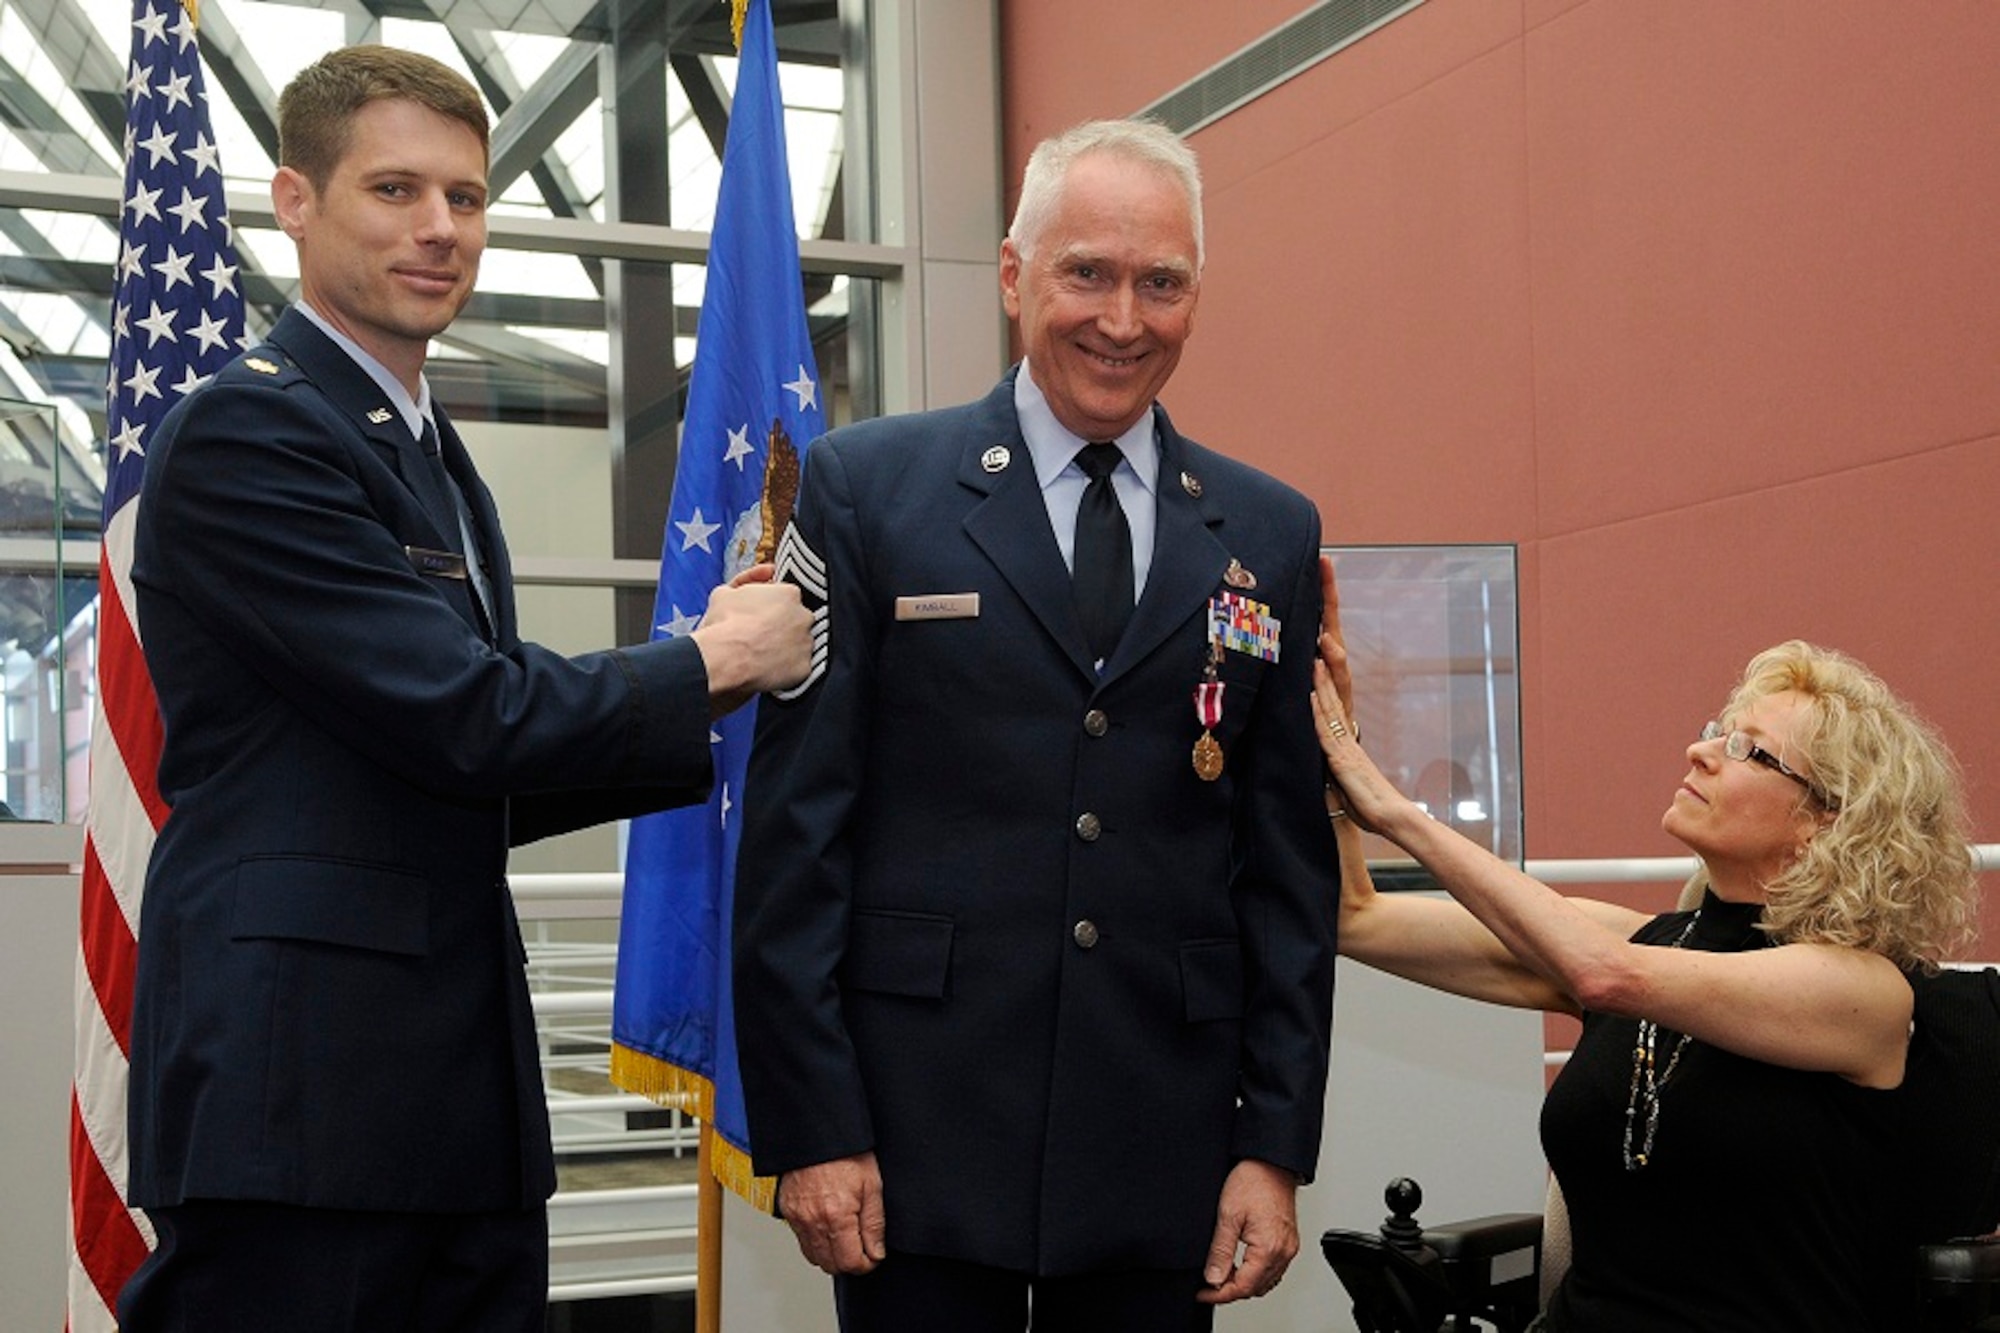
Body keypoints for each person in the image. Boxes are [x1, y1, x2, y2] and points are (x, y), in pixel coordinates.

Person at [115, 46, 811, 1333]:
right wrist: (712, 664)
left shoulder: (423, 448)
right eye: (394, 190)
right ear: (294, 201)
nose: (440, 230)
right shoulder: (247, 433)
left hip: (442, 1099)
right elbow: (466, 711)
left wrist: (703, 703)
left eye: (468, 198)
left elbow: (449, 764)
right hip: (303, 1103)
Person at [733, 118, 1339, 1331]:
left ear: (1194, 296)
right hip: (910, 1143)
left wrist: (1271, 1147)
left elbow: (1284, 873)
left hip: (1158, 1143)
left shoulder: (1268, 531)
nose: (1123, 318)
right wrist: (815, 1127)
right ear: (1014, 276)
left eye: (1159, 282)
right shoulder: (866, 491)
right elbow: (795, 842)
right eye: (1087, 273)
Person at [1312, 557, 1979, 1332]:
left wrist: (1394, 808)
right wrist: (1337, 747)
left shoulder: (1863, 994)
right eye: (1715, 733)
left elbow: (1605, 976)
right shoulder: (1652, 941)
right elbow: (1354, 917)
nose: (1701, 752)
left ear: (1823, 822)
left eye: (1748, 750)